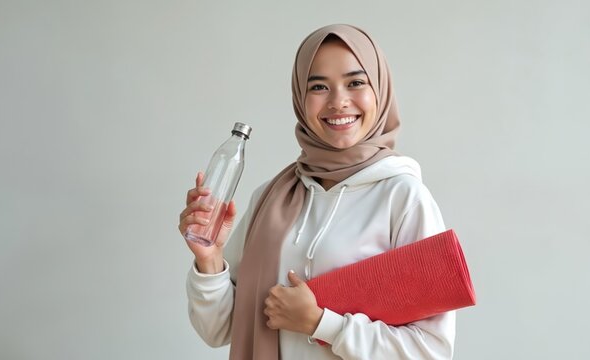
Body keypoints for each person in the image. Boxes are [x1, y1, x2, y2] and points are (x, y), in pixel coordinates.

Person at [178, 24, 455, 359]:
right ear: (300, 97)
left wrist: (320, 324)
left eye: (355, 82)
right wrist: (210, 260)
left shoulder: (405, 198)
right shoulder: (272, 198)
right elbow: (218, 329)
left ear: (380, 90)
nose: (338, 102)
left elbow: (431, 351)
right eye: (319, 86)